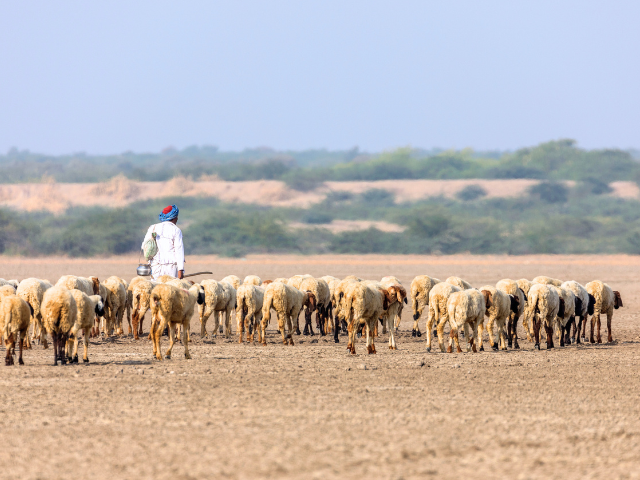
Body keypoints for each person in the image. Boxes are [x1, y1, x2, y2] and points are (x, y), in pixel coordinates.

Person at [141, 204, 185, 280]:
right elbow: (179, 250)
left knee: (156, 289)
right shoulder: (176, 230)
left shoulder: (153, 227)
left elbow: (144, 246)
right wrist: (180, 270)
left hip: (155, 266)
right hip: (171, 267)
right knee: (170, 289)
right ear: (175, 217)